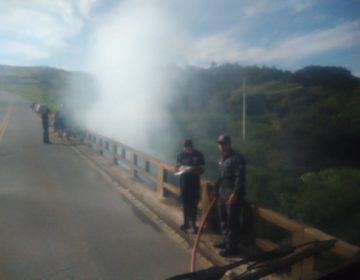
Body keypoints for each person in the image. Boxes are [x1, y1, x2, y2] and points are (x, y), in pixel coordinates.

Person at [213, 134, 246, 257]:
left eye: (224, 144)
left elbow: (240, 177)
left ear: (229, 144)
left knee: (232, 221)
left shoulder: (237, 158)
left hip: (232, 193)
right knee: (223, 219)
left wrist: (235, 193)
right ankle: (226, 241)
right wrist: (215, 190)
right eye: (220, 144)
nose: (222, 146)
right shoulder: (222, 158)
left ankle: (232, 248)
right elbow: (220, 176)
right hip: (222, 192)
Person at [175, 139, 205, 233]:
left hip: (194, 184)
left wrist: (192, 170)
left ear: (192, 146)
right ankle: (185, 223)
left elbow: (202, 169)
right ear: (183, 147)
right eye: (185, 147)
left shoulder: (198, 155)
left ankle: (193, 225)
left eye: (189, 146)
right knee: (185, 204)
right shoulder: (180, 154)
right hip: (184, 183)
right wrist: (178, 168)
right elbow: (176, 166)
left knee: (193, 205)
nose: (187, 148)